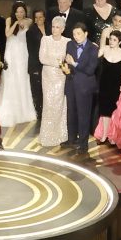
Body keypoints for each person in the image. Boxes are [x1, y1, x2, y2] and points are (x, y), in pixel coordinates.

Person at [64, 22, 100, 154]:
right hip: (71, 83)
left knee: (83, 115)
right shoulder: (69, 44)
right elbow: (66, 62)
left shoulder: (93, 48)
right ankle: (71, 139)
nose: (76, 36)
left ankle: (83, 143)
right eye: (74, 34)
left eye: (79, 34)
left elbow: (90, 70)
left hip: (85, 86)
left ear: (86, 34)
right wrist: (65, 67)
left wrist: (74, 63)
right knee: (71, 113)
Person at [0, 5, 36, 130]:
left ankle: (24, 110)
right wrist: (15, 23)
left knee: (22, 79)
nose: (20, 14)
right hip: (10, 53)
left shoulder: (29, 21)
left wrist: (23, 24)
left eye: (22, 11)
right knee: (10, 79)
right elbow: (7, 34)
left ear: (25, 12)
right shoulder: (9, 20)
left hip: (22, 54)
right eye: (17, 12)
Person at [37, 15, 70, 146]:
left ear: (63, 29)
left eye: (58, 27)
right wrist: (58, 63)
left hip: (61, 77)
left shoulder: (67, 41)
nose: (55, 29)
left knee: (60, 105)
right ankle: (47, 136)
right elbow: (42, 58)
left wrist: (63, 65)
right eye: (53, 27)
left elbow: (68, 59)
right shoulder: (45, 39)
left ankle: (61, 135)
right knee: (49, 104)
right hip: (48, 77)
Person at [92, 28, 121, 142]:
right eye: (110, 39)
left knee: (114, 111)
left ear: (119, 42)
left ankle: (113, 136)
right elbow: (93, 58)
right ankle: (105, 135)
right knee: (105, 111)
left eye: (114, 40)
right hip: (104, 84)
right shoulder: (105, 49)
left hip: (116, 85)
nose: (111, 41)